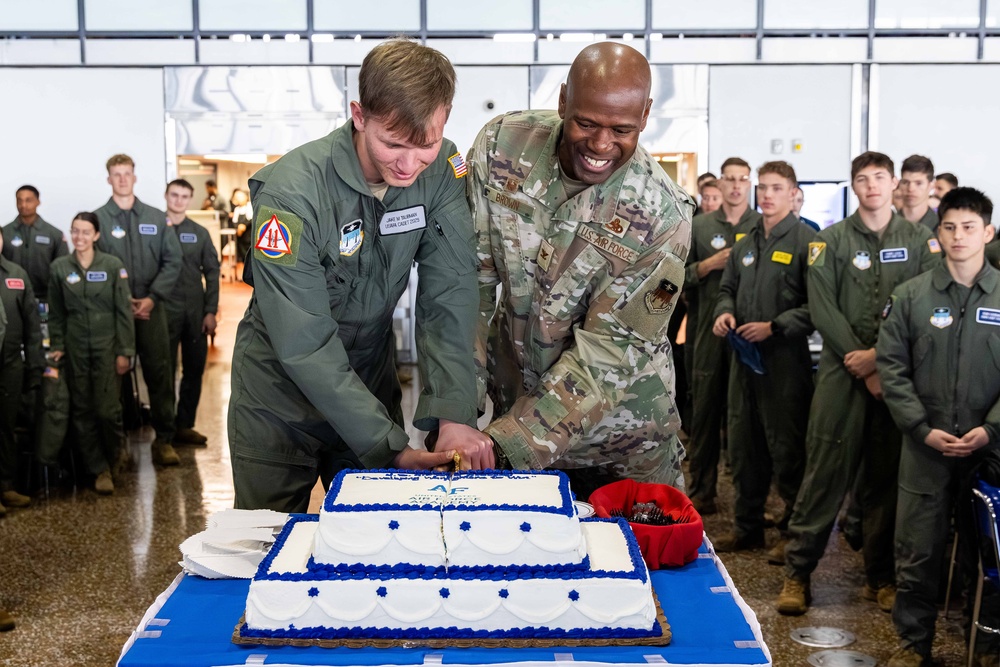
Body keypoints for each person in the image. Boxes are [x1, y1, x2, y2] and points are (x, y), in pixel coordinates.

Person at [229, 39, 489, 513]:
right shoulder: (292, 194)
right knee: (266, 540)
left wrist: (453, 415)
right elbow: (303, 341)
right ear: (359, 115)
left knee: (374, 534)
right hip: (278, 398)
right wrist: (388, 445)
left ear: (445, 118)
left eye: (425, 145)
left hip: (369, 380)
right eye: (393, 144)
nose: (408, 166)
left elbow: (450, 294)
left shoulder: (442, 172)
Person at [468, 42, 693, 496]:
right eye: (586, 123)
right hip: (512, 419)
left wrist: (508, 444)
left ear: (646, 116)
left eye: (622, 129)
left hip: (622, 449)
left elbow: (610, 352)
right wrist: (456, 411)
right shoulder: (501, 148)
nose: (601, 145)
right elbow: (467, 289)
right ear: (562, 101)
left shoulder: (663, 216)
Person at [777, 151, 942, 616]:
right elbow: (822, 306)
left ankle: (880, 578)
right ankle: (798, 573)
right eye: (863, 178)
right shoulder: (828, 241)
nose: (872, 186)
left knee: (885, 480)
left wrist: (880, 361)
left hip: (896, 378)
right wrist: (862, 361)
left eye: (880, 177)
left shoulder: (920, 242)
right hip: (841, 373)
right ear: (854, 186)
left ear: (894, 184)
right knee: (824, 473)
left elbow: (920, 307)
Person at [878, 187, 1000, 667]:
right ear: (938, 232)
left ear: (988, 233)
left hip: (988, 451)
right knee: (918, 552)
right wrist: (919, 427)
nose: (958, 236)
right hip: (925, 446)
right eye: (949, 227)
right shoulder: (911, 296)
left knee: (986, 553)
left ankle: (986, 645)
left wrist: (991, 429)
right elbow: (892, 367)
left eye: (969, 227)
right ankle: (913, 645)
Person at [711, 161, 815, 558]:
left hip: (785, 362)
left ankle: (792, 533)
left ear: (793, 194)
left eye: (776, 188)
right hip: (744, 361)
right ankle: (747, 527)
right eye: (763, 188)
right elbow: (726, 290)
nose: (767, 195)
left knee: (787, 449)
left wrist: (776, 326)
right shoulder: (745, 242)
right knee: (744, 446)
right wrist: (724, 312)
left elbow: (817, 307)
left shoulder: (807, 242)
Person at [94, 154, 183, 467]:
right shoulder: (98, 220)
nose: (122, 179)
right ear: (109, 179)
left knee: (160, 373)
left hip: (151, 307)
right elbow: (94, 264)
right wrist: (122, 302)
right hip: (113, 312)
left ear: (134, 177)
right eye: (116, 174)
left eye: (127, 173)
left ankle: (164, 441)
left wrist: (151, 298)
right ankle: (117, 447)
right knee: (113, 377)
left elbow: (173, 260)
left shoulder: (156, 218)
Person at [683, 157, 760, 514]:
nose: (735, 185)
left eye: (742, 179)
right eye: (730, 178)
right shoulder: (698, 226)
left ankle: (750, 500)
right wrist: (706, 266)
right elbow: (675, 275)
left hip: (749, 334)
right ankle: (702, 491)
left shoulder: (761, 225)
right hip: (705, 332)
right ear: (720, 183)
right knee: (704, 414)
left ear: (749, 183)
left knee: (746, 419)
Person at [48, 213, 135, 495]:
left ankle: (115, 455)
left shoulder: (112, 266)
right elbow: (56, 313)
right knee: (82, 411)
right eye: (75, 231)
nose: (80, 237)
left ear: (96, 235)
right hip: (75, 350)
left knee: (108, 411)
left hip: (107, 348)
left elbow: (124, 312)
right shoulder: (60, 268)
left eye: (86, 232)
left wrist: (125, 351)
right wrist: (58, 345)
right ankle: (99, 469)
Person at [164, 179, 220, 445]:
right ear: (166, 196)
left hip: (195, 310)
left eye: (184, 196)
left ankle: (184, 425)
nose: (179, 201)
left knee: (194, 368)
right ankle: (164, 428)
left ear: (190, 199)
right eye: (174, 195)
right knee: (163, 370)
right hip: (163, 310)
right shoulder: (154, 229)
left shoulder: (199, 233)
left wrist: (210, 311)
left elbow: (212, 272)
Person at [0, 231, 41, 512]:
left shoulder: (16, 274)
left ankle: (6, 486)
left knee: (6, 424)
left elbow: (32, 325)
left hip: (11, 363)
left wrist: (35, 366)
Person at [3, 186, 69, 301]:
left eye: (28, 200)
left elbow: (63, 268)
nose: (23, 205)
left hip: (46, 297)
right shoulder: (4, 233)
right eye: (19, 200)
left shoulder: (54, 234)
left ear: (38, 202)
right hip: (11, 295)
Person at [899, 154, 939, 233]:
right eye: (905, 182)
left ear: (931, 186)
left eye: (918, 183)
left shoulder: (941, 227)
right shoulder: (885, 224)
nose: (910, 189)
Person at [230, 188, 253, 264]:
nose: (238, 199)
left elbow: (251, 219)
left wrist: (244, 226)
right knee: (242, 258)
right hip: (240, 238)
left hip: (249, 237)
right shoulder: (237, 209)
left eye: (240, 197)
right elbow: (234, 222)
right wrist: (238, 227)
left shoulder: (250, 207)